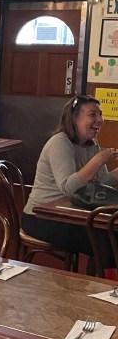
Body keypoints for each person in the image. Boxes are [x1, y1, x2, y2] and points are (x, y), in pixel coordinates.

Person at [22, 94, 118, 268]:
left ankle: (99, 287)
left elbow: (103, 182)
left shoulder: (91, 143)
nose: (100, 120)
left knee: (111, 234)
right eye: (92, 115)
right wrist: (97, 161)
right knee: (105, 241)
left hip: (73, 212)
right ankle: (95, 290)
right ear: (74, 119)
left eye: (100, 114)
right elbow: (68, 188)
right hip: (41, 216)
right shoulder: (60, 143)